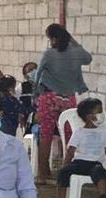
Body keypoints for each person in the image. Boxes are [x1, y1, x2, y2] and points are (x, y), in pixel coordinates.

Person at [33, 23, 92, 183]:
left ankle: (43, 174)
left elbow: (38, 75)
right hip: (68, 98)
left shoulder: (49, 54)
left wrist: (35, 94)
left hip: (48, 98)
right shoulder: (76, 53)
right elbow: (88, 59)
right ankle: (68, 172)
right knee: (69, 134)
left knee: (45, 134)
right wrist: (73, 41)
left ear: (53, 39)